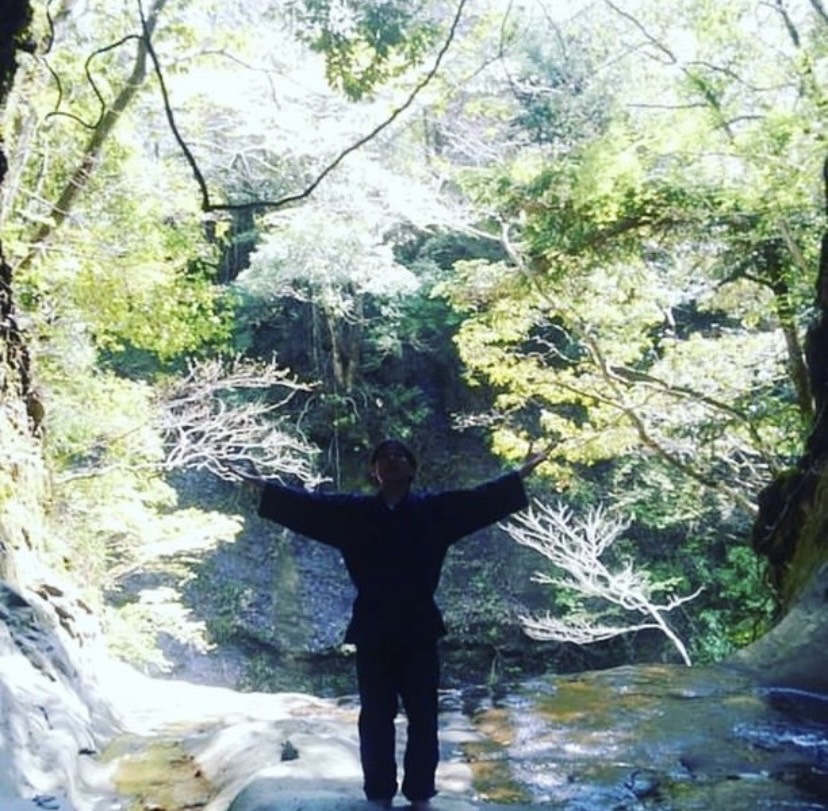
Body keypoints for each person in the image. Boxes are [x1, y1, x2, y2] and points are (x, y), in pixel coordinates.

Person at [228, 439, 546, 809]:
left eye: (399, 456)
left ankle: (420, 793)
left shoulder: (435, 511)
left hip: (418, 628)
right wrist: (263, 486)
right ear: (374, 471)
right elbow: (309, 507)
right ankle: (379, 792)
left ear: (411, 468)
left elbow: (479, 501)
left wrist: (519, 474)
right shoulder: (354, 514)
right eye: (384, 457)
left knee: (424, 716)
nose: (392, 461)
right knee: (376, 717)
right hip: (374, 629)